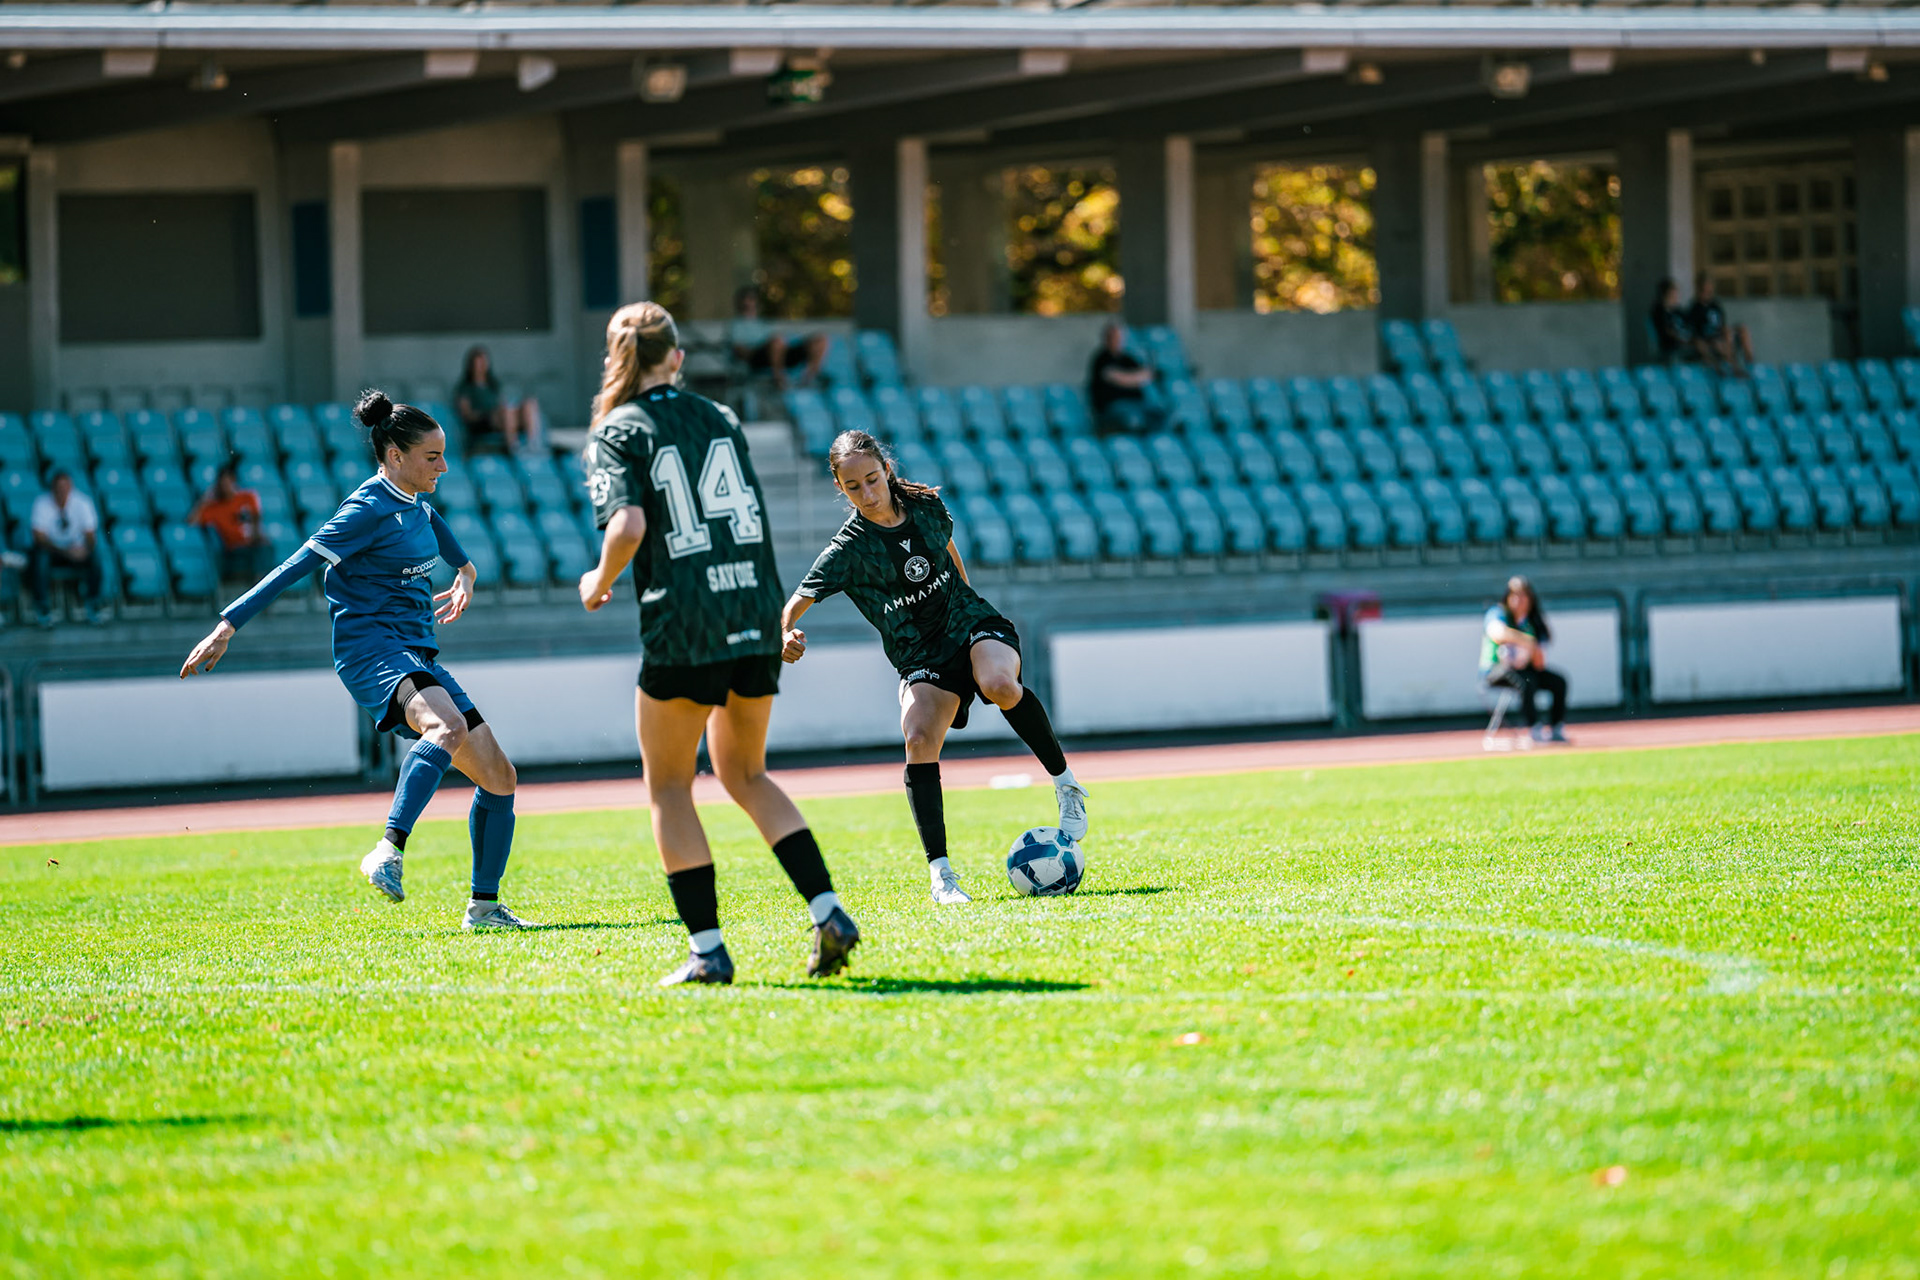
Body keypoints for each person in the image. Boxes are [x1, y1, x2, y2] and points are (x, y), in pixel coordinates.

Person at [578, 300, 860, 987]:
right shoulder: (721, 416)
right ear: (676, 357)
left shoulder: (618, 429)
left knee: (670, 786)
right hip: (754, 610)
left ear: (619, 361)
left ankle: (708, 950)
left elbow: (629, 528)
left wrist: (596, 581)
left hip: (687, 621)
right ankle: (826, 910)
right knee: (746, 774)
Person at [179, 391, 535, 931]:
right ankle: (387, 851)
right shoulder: (365, 509)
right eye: (432, 456)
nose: (444, 465)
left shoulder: (415, 503)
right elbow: (296, 564)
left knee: (501, 778)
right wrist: (227, 624)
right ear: (395, 455)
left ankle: (484, 909)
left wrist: (465, 570)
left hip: (415, 651)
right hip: (370, 648)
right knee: (445, 725)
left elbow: (433, 523)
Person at [780, 431, 1089, 906]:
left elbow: (948, 551)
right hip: (919, 654)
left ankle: (1067, 786)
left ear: (886, 469)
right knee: (919, 740)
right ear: (841, 489)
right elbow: (793, 605)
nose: (867, 492)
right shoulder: (846, 552)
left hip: (969, 623)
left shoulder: (925, 507)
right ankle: (942, 876)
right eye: (854, 486)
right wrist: (786, 634)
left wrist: (967, 599)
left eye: (872, 478)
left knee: (1000, 684)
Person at [1482, 575, 1569, 745]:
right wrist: (1527, 641)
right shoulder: (1498, 614)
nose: (1518, 600)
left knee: (1558, 681)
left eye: (1523, 596)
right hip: (1496, 670)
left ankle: (1556, 727)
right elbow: (1498, 633)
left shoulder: (1534, 623)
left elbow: (1539, 662)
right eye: (1514, 595)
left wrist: (1534, 652)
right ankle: (1532, 728)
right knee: (1526, 682)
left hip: (1525, 669)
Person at [28, 469, 109, 627]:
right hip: (54, 552)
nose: (62, 491)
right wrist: (64, 551)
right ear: (53, 488)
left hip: (77, 550)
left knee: (95, 557)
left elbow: (91, 535)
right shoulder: (42, 502)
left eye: (66, 487)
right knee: (40, 558)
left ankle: (94, 603)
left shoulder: (83, 502)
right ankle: (43, 607)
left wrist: (84, 549)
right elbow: (39, 536)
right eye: (59, 487)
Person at [190, 457, 275, 585]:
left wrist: (256, 535)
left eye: (228, 482)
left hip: (252, 544)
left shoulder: (247, 497)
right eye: (222, 483)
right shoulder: (214, 508)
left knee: (265, 546)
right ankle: (262, 586)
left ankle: (264, 584)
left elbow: (256, 518)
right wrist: (203, 501)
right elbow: (192, 523)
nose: (225, 486)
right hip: (232, 550)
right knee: (259, 553)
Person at [727, 287, 827, 392]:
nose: (749, 303)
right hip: (757, 358)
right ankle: (779, 380)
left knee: (820, 340)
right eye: (746, 300)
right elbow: (739, 349)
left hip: (779, 354)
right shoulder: (735, 325)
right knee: (777, 342)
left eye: (752, 299)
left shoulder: (764, 324)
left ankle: (808, 379)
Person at [454, 346, 543, 455]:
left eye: (484, 362)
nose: (482, 366)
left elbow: (502, 402)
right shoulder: (465, 387)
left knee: (529, 403)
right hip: (483, 421)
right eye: (478, 363)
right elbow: (467, 414)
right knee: (506, 412)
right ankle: (513, 447)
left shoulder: (493, 384)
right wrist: (486, 414)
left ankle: (533, 445)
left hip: (501, 417)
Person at [1087, 321, 1162, 436]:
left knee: (1157, 413)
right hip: (1113, 406)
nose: (1117, 340)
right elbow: (1117, 377)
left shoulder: (1127, 358)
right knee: (1131, 417)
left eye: (1119, 337)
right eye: (1113, 337)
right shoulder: (1101, 358)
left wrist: (1129, 378)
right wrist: (1135, 379)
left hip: (1136, 403)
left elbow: (1147, 375)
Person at [1687, 272, 1754, 377]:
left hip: (1721, 335)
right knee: (1724, 337)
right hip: (1709, 338)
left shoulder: (1716, 305)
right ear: (1700, 289)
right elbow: (1695, 332)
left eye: (1710, 287)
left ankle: (1750, 364)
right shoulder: (1694, 308)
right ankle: (1734, 368)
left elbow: (1722, 324)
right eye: (1706, 287)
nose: (1709, 290)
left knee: (1742, 329)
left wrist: (1724, 331)